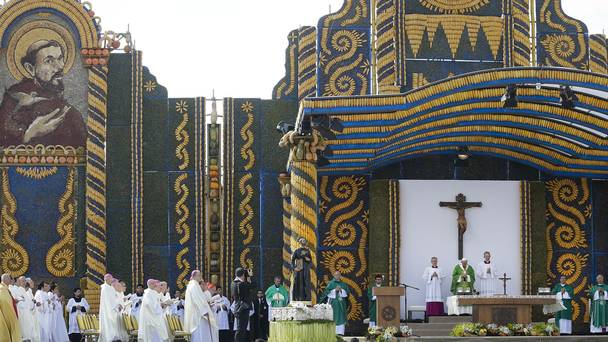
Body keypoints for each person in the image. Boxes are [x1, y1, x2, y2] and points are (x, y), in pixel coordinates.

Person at [0, 39, 86, 147]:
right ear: (30, 68)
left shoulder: (71, 113)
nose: (59, 67)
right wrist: (29, 134)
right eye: (48, 61)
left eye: (60, 58)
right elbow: (3, 133)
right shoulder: (13, 97)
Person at [184, 270, 218, 342]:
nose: (200, 277)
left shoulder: (193, 285)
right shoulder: (193, 285)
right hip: (198, 314)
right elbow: (198, 300)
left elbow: (202, 298)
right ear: (194, 276)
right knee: (200, 334)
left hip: (198, 312)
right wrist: (204, 311)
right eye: (199, 275)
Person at [320, 271, 349, 335]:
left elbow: (347, 294)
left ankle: (340, 333)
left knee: (341, 318)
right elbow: (326, 293)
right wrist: (334, 290)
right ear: (333, 276)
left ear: (340, 276)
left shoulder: (343, 284)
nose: (337, 276)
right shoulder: (330, 283)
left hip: (341, 305)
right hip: (333, 304)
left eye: (338, 275)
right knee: (333, 316)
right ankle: (332, 332)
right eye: (336, 275)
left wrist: (341, 290)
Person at [231, 267, 254, 342]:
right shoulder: (241, 284)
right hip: (243, 309)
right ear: (243, 274)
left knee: (240, 329)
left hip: (239, 308)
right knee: (241, 330)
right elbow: (253, 285)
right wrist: (250, 276)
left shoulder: (233, 283)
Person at [99, 274, 122, 342]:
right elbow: (108, 302)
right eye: (111, 279)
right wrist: (116, 307)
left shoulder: (110, 288)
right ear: (107, 279)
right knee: (109, 327)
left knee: (113, 327)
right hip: (108, 311)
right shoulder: (105, 288)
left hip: (113, 310)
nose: (112, 280)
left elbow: (114, 299)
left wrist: (118, 305)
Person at [291, 237, 312, 302]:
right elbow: (292, 260)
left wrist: (307, 259)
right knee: (298, 283)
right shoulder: (297, 251)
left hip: (305, 269)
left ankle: (306, 299)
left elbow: (310, 260)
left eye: (304, 241)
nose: (302, 242)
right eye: (301, 241)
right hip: (299, 269)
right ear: (299, 242)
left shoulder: (308, 251)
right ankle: (297, 298)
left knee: (306, 283)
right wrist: (294, 268)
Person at [0, 273, 21, 341]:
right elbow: (5, 304)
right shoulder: (2, 290)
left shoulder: (6, 289)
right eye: (10, 278)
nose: (11, 280)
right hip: (6, 317)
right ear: (6, 279)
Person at [22, 278, 41, 342]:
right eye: (31, 282)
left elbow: (33, 300)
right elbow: (28, 303)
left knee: (34, 329)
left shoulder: (30, 290)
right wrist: (33, 303)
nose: (33, 283)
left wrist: (35, 303)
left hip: (33, 313)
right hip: (29, 313)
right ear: (27, 283)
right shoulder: (25, 291)